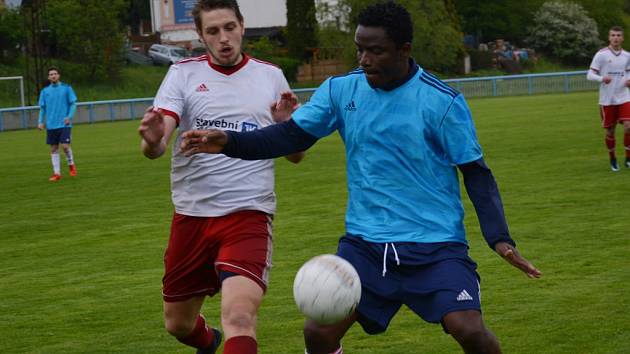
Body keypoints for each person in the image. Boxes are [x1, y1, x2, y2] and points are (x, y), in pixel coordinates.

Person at [180, 2, 542, 353]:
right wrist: (229, 141)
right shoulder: (342, 90)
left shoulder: (442, 102)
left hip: (435, 247)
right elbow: (290, 136)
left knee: (471, 332)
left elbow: (476, 174)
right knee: (318, 333)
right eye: (360, 49)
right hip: (366, 247)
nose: (365, 59)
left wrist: (499, 238)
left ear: (404, 49)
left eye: (376, 51)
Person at [137, 1, 304, 353]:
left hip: (248, 214)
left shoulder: (270, 76)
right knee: (178, 324)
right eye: (213, 31)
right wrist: (152, 140)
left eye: (229, 27)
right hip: (192, 216)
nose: (223, 38)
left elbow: (295, 155)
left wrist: (285, 126)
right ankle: (208, 341)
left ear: (242, 26)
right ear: (200, 36)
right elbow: (157, 145)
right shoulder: (183, 74)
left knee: (239, 317)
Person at [587, 26, 630, 171]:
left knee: (628, 126)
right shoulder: (601, 55)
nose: (616, 38)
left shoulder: (627, 56)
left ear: (622, 38)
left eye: (618, 35)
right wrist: (601, 78)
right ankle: (612, 158)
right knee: (610, 131)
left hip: (624, 96)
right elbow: (589, 74)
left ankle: (628, 157)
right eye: (613, 35)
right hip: (607, 99)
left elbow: (629, 74)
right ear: (609, 37)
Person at [37, 66, 78, 181]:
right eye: (51, 74)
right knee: (54, 148)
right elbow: (42, 108)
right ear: (48, 77)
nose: (53, 75)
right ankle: (57, 173)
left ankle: (71, 164)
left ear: (58, 75)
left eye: (55, 73)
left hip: (64, 123)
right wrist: (40, 122)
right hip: (51, 125)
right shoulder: (45, 91)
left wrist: (69, 117)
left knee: (65, 146)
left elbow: (73, 104)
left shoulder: (66, 88)